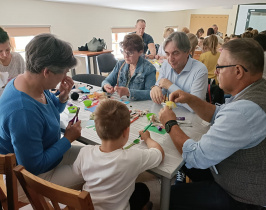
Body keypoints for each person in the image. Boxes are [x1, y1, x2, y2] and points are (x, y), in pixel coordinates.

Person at [159, 38, 266, 210]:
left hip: (251, 199)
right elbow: (218, 114)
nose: (216, 71)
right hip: (253, 179)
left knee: (168, 196)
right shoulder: (264, 90)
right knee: (183, 163)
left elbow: (197, 157)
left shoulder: (245, 111)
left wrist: (170, 123)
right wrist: (191, 99)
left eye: (220, 67)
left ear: (238, 71)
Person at [0, 33, 84, 201]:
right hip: (30, 178)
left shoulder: (30, 81)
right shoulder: (22, 112)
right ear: (46, 72)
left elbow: (50, 110)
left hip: (47, 152)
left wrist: (62, 97)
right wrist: (67, 139)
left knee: (97, 155)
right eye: (64, 72)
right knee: (101, 167)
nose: (66, 76)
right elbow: (34, 166)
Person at [73, 99, 164, 210]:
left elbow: (78, 174)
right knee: (143, 190)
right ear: (126, 132)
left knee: (139, 189)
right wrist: (148, 138)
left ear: (97, 129)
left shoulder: (85, 152)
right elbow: (159, 153)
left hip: (89, 206)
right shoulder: (133, 157)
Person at [150, 32, 208, 112]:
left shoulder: (200, 70)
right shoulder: (166, 65)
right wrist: (155, 89)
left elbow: (195, 107)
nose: (170, 59)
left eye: (175, 53)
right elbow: (160, 89)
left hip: (193, 119)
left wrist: (170, 86)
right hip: (170, 114)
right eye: (167, 54)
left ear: (187, 52)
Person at [102, 34, 156, 101]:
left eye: (130, 53)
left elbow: (151, 93)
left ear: (140, 52)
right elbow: (107, 81)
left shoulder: (149, 69)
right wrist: (106, 86)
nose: (126, 56)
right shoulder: (120, 64)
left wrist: (129, 92)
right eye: (124, 52)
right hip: (122, 103)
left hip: (139, 106)